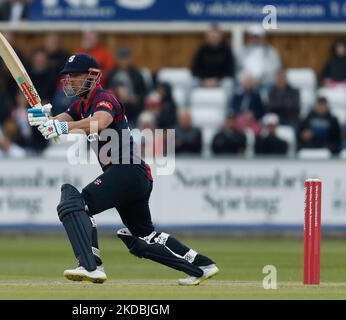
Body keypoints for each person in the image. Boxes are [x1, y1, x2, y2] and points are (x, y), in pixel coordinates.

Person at [26, 54, 218, 286]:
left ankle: (91, 266)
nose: (71, 80)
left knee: (76, 203)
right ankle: (202, 265)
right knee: (144, 236)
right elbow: (60, 122)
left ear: (92, 76)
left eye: (75, 75)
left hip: (126, 170)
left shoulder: (105, 98)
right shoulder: (81, 105)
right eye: (68, 76)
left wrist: (61, 126)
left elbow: (98, 122)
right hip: (133, 176)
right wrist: (43, 120)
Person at [191, 25, 234, 90]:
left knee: (229, 84)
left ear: (220, 37)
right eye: (211, 36)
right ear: (207, 37)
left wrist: (217, 80)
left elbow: (230, 70)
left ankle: (230, 101)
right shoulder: (201, 50)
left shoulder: (227, 50)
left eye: (215, 36)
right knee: (191, 84)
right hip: (203, 80)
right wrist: (204, 80)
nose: (213, 38)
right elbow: (195, 69)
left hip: (221, 81)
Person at [237, 25, 281, 89]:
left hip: (265, 84)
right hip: (245, 83)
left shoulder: (271, 52)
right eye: (254, 36)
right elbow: (238, 68)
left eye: (258, 36)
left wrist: (260, 80)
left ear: (263, 37)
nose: (256, 39)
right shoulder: (242, 51)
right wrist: (245, 79)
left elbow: (275, 70)